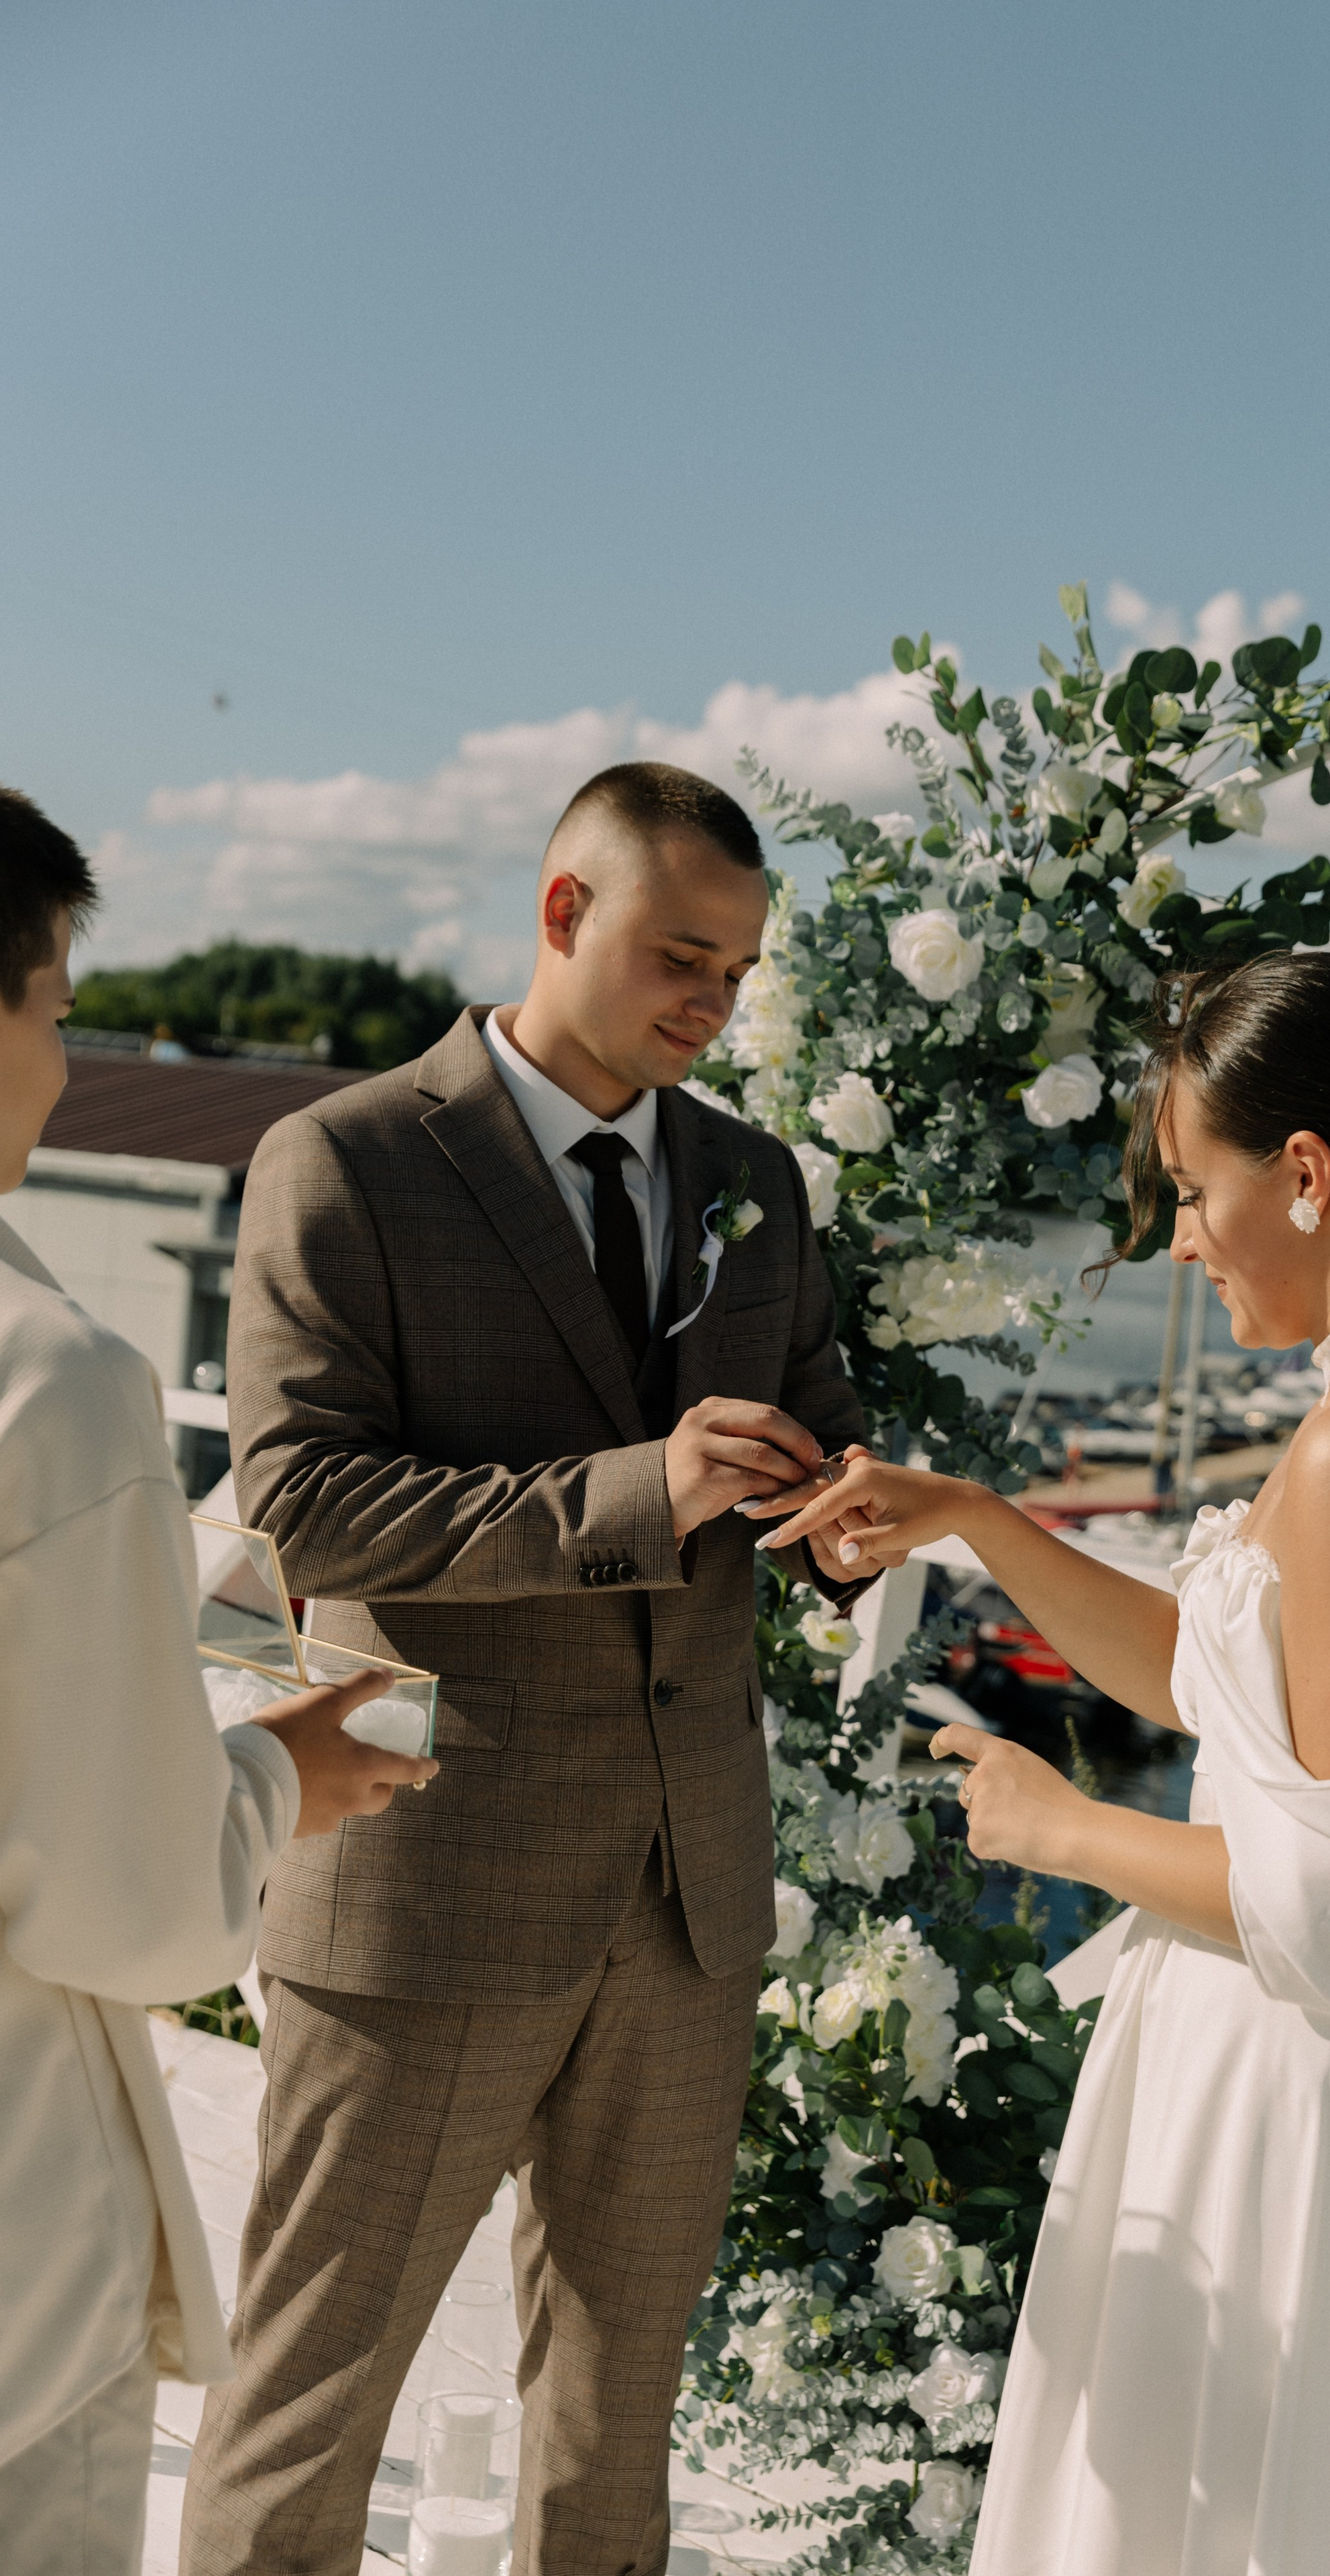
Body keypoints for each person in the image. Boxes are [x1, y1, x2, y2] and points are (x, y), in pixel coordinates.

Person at [757, 951, 1330, 2576]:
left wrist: (1061, 1827)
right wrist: (977, 1522)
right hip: (1259, 2059)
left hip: (1299, 2106)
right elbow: (1213, 1684)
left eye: (1185, 1188)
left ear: (1302, 1175)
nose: (1175, 1240)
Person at [182, 762, 869, 2576]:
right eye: (680, 959)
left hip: (685, 1897)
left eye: (735, 975)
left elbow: (816, 1425)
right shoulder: (344, 1159)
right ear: (564, 912)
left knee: (616, 2423)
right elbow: (307, 1508)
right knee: (312, 2404)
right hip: (424, 1884)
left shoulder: (754, 1179)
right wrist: (644, 1491)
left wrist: (854, 1514)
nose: (709, 1008)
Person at [0, 787, 439, 2576]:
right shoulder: (58, 1381)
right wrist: (285, 1781)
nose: (62, 1070)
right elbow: (133, 1901)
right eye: (52, 1014)